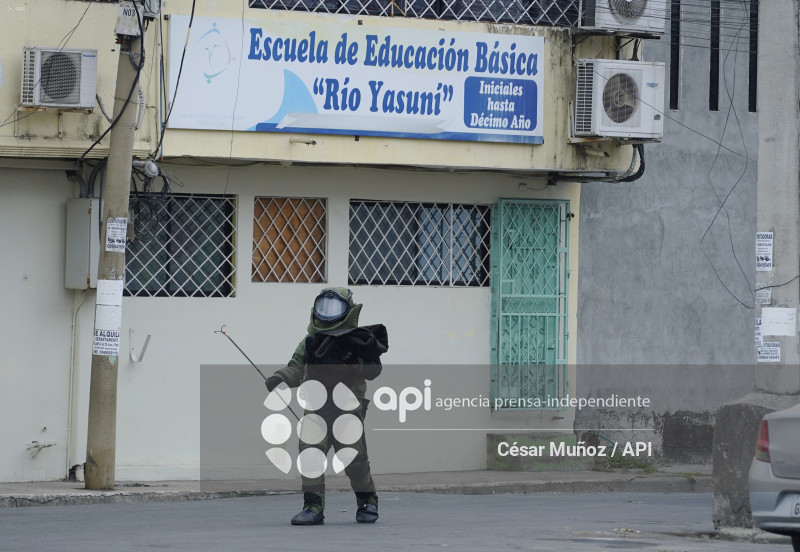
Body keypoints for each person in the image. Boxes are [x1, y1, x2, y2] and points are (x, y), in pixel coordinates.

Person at [265, 287, 388, 525]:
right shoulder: (310, 341)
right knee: (310, 455)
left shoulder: (359, 340)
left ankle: (367, 502)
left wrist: (351, 361)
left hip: (348, 407)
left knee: (354, 459)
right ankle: (313, 507)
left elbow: (373, 371)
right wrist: (280, 377)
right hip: (316, 406)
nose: (327, 313)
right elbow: (296, 368)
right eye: (323, 307)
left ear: (348, 311)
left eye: (335, 308)